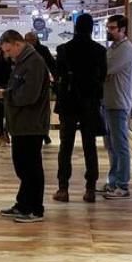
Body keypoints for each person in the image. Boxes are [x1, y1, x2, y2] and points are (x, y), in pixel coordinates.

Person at [0, 29, 49, 223]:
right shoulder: (23, 62)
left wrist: (6, 95)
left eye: (8, 50)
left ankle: (35, 209)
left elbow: (29, 95)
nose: (7, 55)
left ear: (17, 43)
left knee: (30, 167)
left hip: (31, 123)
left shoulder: (34, 63)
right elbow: (20, 89)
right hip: (22, 123)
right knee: (23, 166)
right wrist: (6, 92)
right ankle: (23, 204)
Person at [53, 14, 108, 202]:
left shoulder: (63, 49)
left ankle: (63, 189)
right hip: (89, 103)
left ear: (75, 27)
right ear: (92, 29)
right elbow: (102, 76)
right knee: (89, 146)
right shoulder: (99, 50)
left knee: (65, 146)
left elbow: (58, 75)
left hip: (68, 103)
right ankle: (90, 188)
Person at [101, 14, 132, 198]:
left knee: (120, 145)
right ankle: (113, 181)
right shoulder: (113, 48)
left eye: (112, 28)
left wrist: (104, 73)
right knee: (111, 145)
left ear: (123, 29)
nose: (109, 31)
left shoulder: (126, 49)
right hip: (108, 102)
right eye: (108, 27)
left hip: (118, 103)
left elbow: (105, 70)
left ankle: (122, 185)